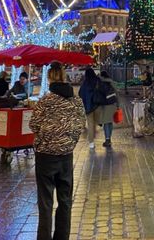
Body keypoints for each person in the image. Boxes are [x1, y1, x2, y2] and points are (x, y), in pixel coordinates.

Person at [29, 61, 85, 240]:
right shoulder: (76, 101)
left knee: (45, 202)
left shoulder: (46, 101)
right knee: (65, 201)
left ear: (50, 78)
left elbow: (34, 125)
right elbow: (80, 125)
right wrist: (69, 142)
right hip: (66, 156)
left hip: (46, 156)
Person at [95, 70, 119, 148]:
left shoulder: (99, 83)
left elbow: (98, 95)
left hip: (104, 105)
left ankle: (107, 139)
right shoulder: (112, 82)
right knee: (110, 122)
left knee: (106, 122)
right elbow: (117, 94)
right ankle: (109, 138)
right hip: (113, 103)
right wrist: (118, 105)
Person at [79, 68, 99, 149]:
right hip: (98, 106)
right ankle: (94, 134)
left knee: (90, 124)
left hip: (88, 107)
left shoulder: (84, 83)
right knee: (95, 123)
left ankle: (91, 142)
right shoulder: (97, 81)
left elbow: (80, 93)